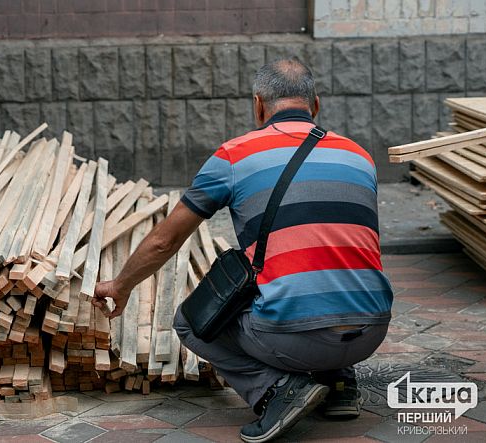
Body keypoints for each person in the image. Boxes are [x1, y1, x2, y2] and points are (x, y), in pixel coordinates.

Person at [92, 58, 393, 442]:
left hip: (292, 336)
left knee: (191, 321)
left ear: (258, 105)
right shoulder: (359, 156)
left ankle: (278, 391)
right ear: (315, 104)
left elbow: (165, 240)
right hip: (371, 331)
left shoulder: (235, 155)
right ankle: (338, 383)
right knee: (329, 273)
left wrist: (120, 285)